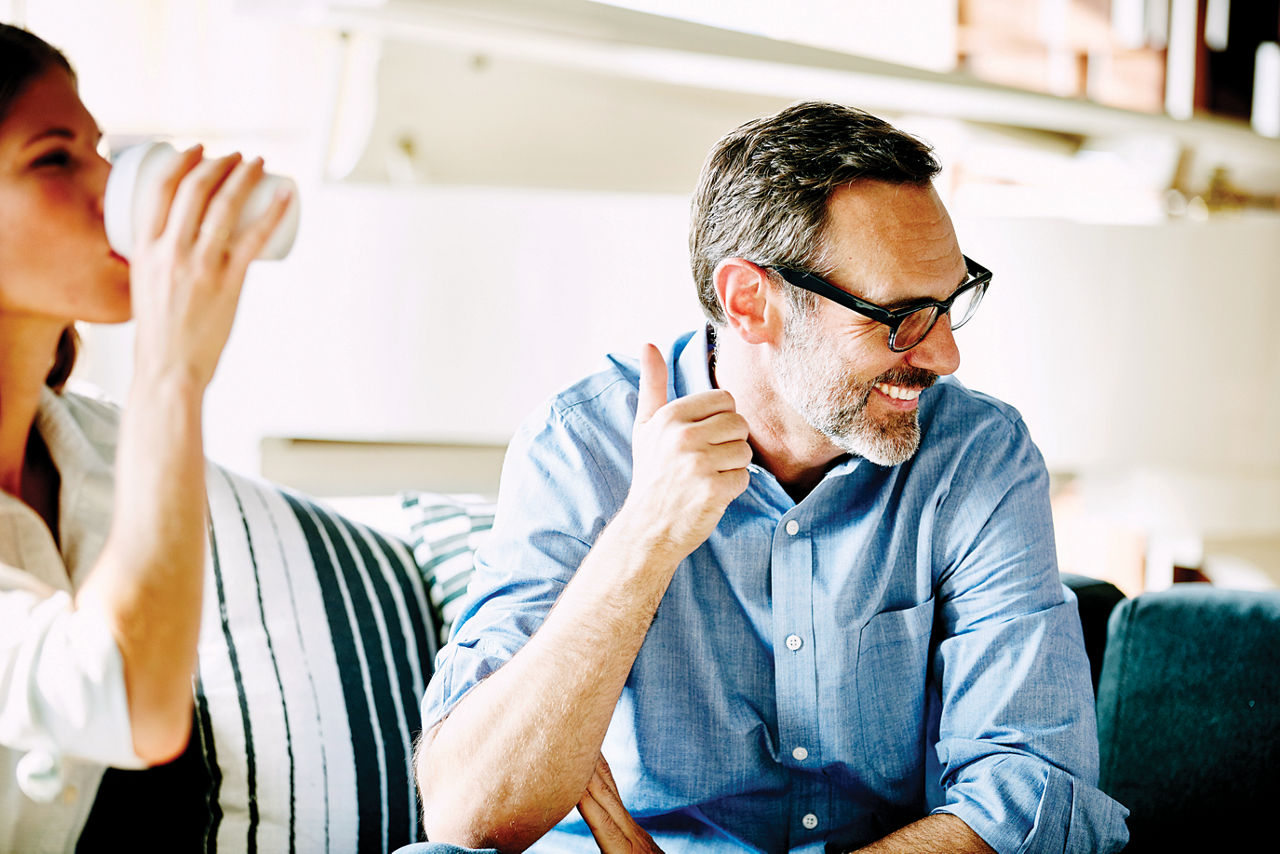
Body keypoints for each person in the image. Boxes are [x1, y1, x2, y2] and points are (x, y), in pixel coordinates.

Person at [412, 102, 1130, 853]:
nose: (945, 356)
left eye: (951, 303)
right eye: (901, 316)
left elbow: (1035, 787)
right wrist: (646, 537)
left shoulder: (977, 456)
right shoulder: (580, 447)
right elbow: (468, 816)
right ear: (752, 302)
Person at [0, 23, 290, 850]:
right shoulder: (154, 410)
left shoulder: (99, 445)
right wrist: (173, 366)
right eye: (55, 158)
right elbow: (131, 702)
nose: (115, 186)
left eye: (100, 150)